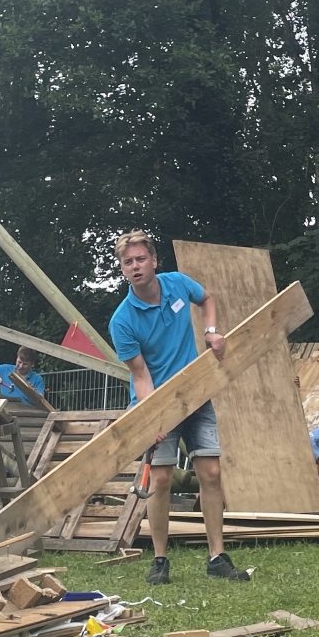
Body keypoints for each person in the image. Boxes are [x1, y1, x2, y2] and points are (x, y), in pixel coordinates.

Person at [108, 229, 247, 585]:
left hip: (197, 393)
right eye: (128, 263)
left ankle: (217, 557)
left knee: (211, 474)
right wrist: (152, 417)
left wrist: (211, 331)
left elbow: (208, 299)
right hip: (158, 399)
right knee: (162, 479)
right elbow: (140, 375)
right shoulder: (123, 320)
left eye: (141, 259)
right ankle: (160, 560)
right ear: (123, 270)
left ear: (154, 260)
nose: (136, 266)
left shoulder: (177, 284)